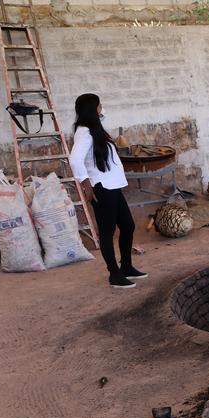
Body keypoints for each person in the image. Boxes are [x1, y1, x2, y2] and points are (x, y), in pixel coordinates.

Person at [69, 93, 146, 289]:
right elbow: (75, 159)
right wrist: (86, 185)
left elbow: (102, 117)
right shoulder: (84, 132)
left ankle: (127, 266)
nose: (102, 108)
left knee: (128, 226)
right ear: (92, 109)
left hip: (112, 186)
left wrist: (98, 114)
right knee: (107, 231)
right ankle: (114, 274)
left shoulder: (95, 129)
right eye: (99, 105)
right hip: (101, 188)